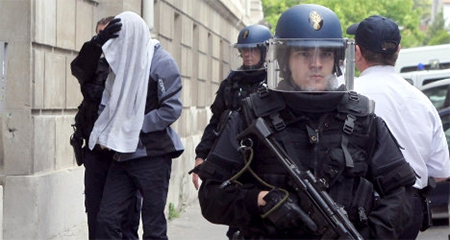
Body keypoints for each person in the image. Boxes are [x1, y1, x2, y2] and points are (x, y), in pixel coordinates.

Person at [193, 4, 416, 239]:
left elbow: (401, 194)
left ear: (337, 58)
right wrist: (258, 201)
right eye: (304, 53)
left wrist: (372, 234)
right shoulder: (251, 116)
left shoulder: (362, 119)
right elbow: (211, 196)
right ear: (285, 59)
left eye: (325, 53)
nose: (316, 63)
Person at [346, 15, 450, 239]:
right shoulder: (422, 101)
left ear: (356, 52)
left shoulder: (345, 94)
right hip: (407, 211)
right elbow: (441, 172)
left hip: (356, 208)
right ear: (398, 50)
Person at [89, 11, 184, 239]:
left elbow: (171, 108)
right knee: (107, 220)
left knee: (153, 226)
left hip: (152, 155)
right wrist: (105, 133)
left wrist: (133, 125)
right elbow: (108, 104)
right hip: (121, 155)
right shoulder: (119, 64)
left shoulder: (162, 62)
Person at [192, 24, 272, 239]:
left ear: (265, 51)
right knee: (236, 216)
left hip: (263, 161)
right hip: (232, 158)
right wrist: (201, 156)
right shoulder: (232, 82)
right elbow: (217, 121)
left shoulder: (276, 84)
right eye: (244, 50)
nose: (247, 54)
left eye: (253, 49)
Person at [70, 16, 142, 240]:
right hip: (96, 151)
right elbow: (79, 68)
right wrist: (97, 42)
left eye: (111, 35)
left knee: (127, 216)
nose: (107, 40)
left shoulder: (132, 66)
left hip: (123, 152)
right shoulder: (94, 64)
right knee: (96, 211)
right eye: (102, 34)